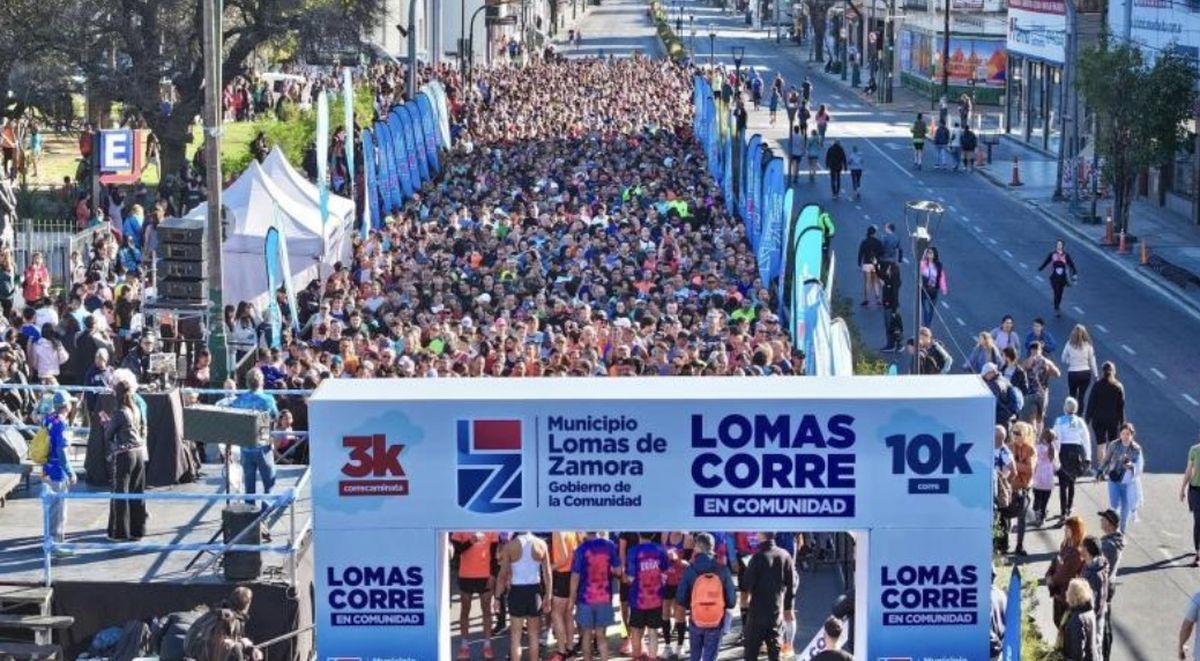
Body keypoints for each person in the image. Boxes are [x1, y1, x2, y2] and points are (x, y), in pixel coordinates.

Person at [676, 532, 736, 661]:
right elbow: (732, 602)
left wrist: (693, 604)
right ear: (712, 547)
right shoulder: (722, 569)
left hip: (696, 618)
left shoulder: (690, 570)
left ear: (697, 547)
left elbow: (680, 598)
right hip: (716, 620)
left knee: (695, 656)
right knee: (710, 657)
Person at [103, 372, 147, 541]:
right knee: (137, 492)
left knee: (120, 493)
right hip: (139, 452)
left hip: (125, 455)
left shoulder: (120, 412)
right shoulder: (136, 408)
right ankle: (137, 530)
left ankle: (119, 532)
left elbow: (108, 435)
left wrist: (106, 423)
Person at [227, 368, 280, 506]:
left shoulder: (239, 401)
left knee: (249, 484)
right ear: (261, 381)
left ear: (247, 383)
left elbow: (231, 417)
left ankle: (250, 510)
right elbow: (275, 416)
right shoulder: (268, 399)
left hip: (245, 445)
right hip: (263, 443)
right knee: (269, 481)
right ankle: (266, 509)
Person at [740, 532, 796, 661]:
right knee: (774, 653)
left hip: (757, 613)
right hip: (775, 612)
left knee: (751, 653)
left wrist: (744, 608)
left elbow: (745, 586)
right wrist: (788, 608)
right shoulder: (785, 555)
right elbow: (791, 584)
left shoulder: (757, 558)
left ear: (761, 536)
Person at [498, 532, 552, 661]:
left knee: (516, 636)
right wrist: (548, 595)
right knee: (534, 635)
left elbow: (502, 575)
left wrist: (496, 597)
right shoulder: (541, 544)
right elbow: (547, 573)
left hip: (517, 591)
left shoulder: (510, 546)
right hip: (534, 591)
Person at [569, 532, 620, 661]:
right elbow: (618, 571)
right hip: (604, 597)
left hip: (585, 598)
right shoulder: (610, 545)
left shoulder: (581, 549)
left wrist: (572, 598)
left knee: (586, 634)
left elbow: (575, 576)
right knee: (601, 635)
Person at [450, 532, 498, 660]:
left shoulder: (491, 528)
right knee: (465, 610)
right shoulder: (461, 527)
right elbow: (456, 551)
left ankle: (487, 645)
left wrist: (493, 575)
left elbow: (494, 555)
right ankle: (464, 646)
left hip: (485, 576)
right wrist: (470, 541)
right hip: (466, 575)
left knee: (486, 610)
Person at [42, 389, 77, 556]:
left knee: (51, 509)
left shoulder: (48, 419)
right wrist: (70, 472)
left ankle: (51, 540)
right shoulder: (61, 423)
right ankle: (55, 545)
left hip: (47, 469)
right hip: (58, 472)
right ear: (66, 406)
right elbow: (61, 451)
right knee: (58, 510)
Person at [626, 532, 669, 659]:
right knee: (653, 632)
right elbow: (665, 572)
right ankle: (652, 658)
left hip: (637, 599)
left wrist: (624, 578)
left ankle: (636, 657)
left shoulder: (633, 551)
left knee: (636, 631)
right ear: (654, 534)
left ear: (638, 533)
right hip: (655, 598)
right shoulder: (661, 549)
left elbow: (630, 578)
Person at [1095, 422, 1143, 533]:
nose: (1125, 437)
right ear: (1120, 434)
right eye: (1123, 434)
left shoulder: (1136, 449)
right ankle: (1114, 530)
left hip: (1127, 483)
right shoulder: (1114, 445)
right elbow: (1106, 460)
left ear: (1132, 435)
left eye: (1128, 434)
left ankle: (1122, 531)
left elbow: (1139, 467)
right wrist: (1100, 472)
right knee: (1114, 505)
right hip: (1114, 480)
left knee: (1125, 509)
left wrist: (1131, 466)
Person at [1046, 515, 1086, 636]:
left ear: (1075, 530)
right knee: (1057, 622)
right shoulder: (1065, 545)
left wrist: (1051, 580)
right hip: (1058, 593)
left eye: (1068, 529)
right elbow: (1056, 561)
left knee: (1063, 627)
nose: (1065, 530)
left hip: (1065, 597)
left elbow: (1065, 574)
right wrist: (1048, 574)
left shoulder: (1077, 553)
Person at [1054, 397, 1092, 519]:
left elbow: (1057, 439)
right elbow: (1086, 439)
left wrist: (1056, 456)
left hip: (1064, 451)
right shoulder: (1080, 421)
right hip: (1076, 452)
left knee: (1062, 483)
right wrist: (1088, 457)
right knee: (1072, 481)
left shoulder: (1059, 421)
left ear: (1065, 408)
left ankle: (1063, 511)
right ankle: (1070, 506)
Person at [1097, 509, 1124, 661]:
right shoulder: (1112, 540)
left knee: (1103, 624)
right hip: (1108, 585)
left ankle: (1104, 655)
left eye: (1103, 519)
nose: (1101, 521)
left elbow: (1100, 568)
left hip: (1104, 586)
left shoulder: (1109, 545)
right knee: (1104, 621)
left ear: (1110, 524)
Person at [1086, 362, 1125, 468]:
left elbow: (1091, 403)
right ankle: (1111, 468)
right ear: (1114, 371)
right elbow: (1121, 407)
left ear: (1102, 372)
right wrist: (1122, 424)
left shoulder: (1097, 385)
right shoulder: (1118, 386)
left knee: (1101, 444)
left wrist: (1087, 420)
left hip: (1098, 419)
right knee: (1113, 444)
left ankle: (1101, 468)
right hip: (1113, 420)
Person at [549, 531, 581, 660]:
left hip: (562, 574)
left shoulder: (558, 530)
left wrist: (546, 568)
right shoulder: (571, 528)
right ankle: (570, 649)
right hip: (571, 574)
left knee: (556, 614)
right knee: (568, 614)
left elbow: (562, 559)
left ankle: (561, 652)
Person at [1010, 421, 1037, 556]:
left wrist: (1013, 465)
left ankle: (1019, 545)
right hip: (1010, 487)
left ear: (1025, 434)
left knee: (1022, 517)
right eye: (1013, 433)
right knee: (1005, 515)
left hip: (1024, 488)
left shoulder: (1030, 450)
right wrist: (1019, 466)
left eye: (1018, 433)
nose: (1015, 436)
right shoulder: (1009, 447)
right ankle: (1003, 544)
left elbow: (1030, 470)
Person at [1021, 341, 1061, 433]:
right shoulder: (1047, 362)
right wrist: (1048, 371)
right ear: (1040, 350)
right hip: (1042, 393)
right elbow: (1058, 374)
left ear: (1031, 350)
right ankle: (1038, 437)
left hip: (1030, 392)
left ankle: (1032, 433)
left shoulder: (1027, 361)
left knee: (1030, 417)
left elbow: (1020, 371)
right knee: (1040, 417)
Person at [1079, 536, 1110, 652]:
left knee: (1094, 648)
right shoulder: (1088, 564)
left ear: (1087, 551)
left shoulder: (1095, 576)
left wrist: (1086, 621)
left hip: (1093, 619)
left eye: (1082, 547)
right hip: (1089, 615)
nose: (1080, 549)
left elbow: (1097, 603)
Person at [1063, 578, 1101, 661]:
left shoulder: (1077, 619)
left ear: (1074, 595)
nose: (1066, 592)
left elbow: (1077, 652)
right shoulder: (1089, 611)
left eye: (1069, 590)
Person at [1038, 239, 1078, 317]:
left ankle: (1057, 305)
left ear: (1063, 246)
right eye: (1058, 244)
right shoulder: (1052, 254)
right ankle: (1056, 308)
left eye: (1060, 244)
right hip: (1054, 277)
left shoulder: (1066, 255)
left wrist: (1075, 273)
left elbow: (1071, 265)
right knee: (1056, 292)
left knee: (1060, 293)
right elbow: (1046, 262)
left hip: (1063, 277)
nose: (1059, 246)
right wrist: (1041, 268)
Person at [1031, 428, 1058, 526]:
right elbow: (1056, 464)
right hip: (1049, 477)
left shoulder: (1038, 447)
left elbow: (1033, 460)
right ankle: (1042, 517)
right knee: (1045, 500)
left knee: (1037, 497)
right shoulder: (1053, 448)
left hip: (1038, 476)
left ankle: (1037, 516)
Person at [1182, 436, 1200, 567]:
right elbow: (1189, 469)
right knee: (1198, 521)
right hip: (1195, 490)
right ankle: (1198, 554)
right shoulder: (1194, 450)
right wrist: (1182, 488)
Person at [918, 246, 947, 327]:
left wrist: (943, 288)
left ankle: (928, 325)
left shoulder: (938, 265)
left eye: (930, 253)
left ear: (935, 254)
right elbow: (919, 271)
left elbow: (941, 277)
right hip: (924, 288)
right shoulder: (924, 263)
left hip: (934, 289)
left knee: (932, 308)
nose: (929, 255)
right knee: (924, 307)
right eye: (928, 253)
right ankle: (926, 324)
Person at [857, 226, 882, 307]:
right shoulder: (878, 242)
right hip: (875, 264)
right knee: (875, 281)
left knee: (867, 282)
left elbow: (860, 253)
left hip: (866, 263)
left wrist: (859, 263)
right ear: (874, 233)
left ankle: (866, 300)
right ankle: (878, 299)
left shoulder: (864, 242)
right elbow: (881, 252)